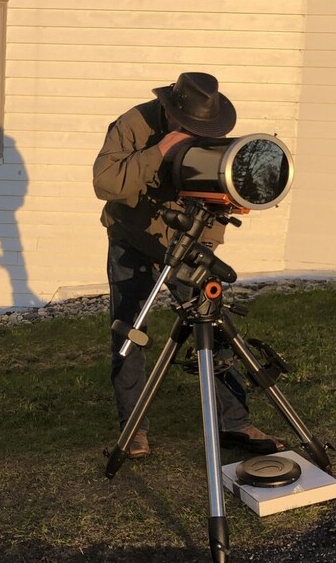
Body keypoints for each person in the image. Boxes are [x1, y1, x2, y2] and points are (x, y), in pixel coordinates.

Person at [93, 71, 287, 458]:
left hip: (186, 241)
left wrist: (227, 209)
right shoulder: (133, 124)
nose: (198, 130)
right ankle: (133, 429)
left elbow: (217, 189)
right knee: (130, 330)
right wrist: (161, 150)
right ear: (171, 110)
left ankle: (234, 424)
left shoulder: (212, 135)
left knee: (213, 325)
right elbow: (106, 183)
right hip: (131, 237)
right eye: (191, 125)